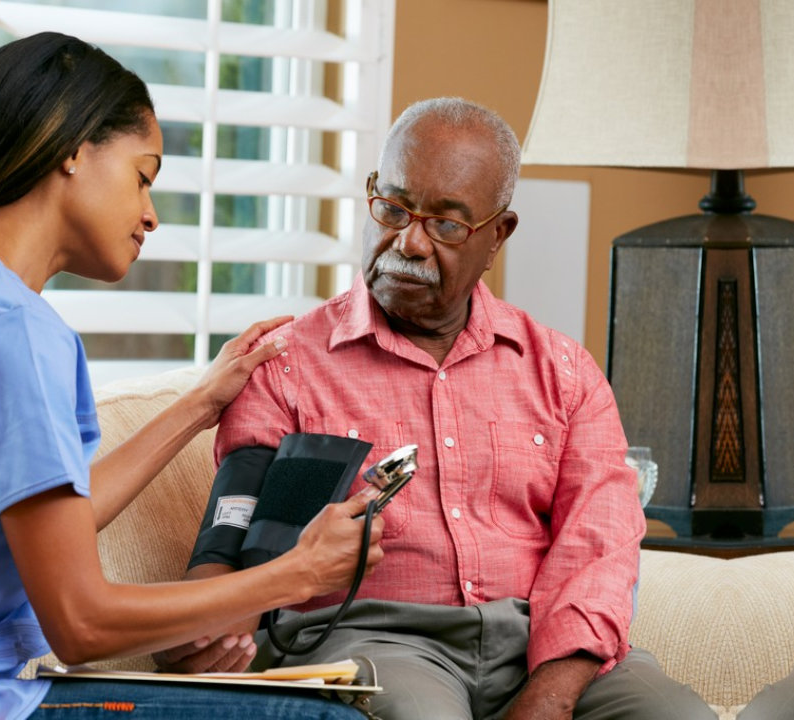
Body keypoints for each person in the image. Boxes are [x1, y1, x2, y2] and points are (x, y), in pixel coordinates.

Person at [0, 33, 385, 720]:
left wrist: (199, 403)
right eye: (142, 176)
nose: (150, 214)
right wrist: (293, 574)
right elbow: (80, 623)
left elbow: (59, 517)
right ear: (73, 148)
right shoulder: (6, 327)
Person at [156, 98, 716, 720]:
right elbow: (228, 550)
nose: (410, 243)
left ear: (497, 235)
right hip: (377, 643)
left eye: (446, 225)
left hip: (540, 644)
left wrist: (549, 699)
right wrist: (197, 628)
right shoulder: (286, 366)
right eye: (393, 208)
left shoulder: (564, 372)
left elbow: (600, 549)